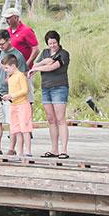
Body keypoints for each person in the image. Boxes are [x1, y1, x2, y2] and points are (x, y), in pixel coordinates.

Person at [33, 30, 72, 159]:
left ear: (58, 42)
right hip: (46, 88)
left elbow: (53, 66)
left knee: (60, 119)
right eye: (50, 43)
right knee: (51, 119)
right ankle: (54, 149)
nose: (52, 45)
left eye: (54, 43)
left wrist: (39, 67)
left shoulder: (64, 54)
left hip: (59, 87)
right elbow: (36, 63)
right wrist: (44, 62)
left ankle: (64, 150)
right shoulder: (44, 53)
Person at [0, 29, 26, 152]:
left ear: (9, 40)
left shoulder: (18, 55)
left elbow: (23, 75)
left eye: (2, 43)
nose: (0, 46)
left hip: (12, 95)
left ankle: (11, 149)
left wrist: (11, 86)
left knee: (12, 123)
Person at [3, 55, 34, 157]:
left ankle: (28, 151)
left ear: (13, 66)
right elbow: (12, 92)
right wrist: (8, 97)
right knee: (16, 130)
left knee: (25, 128)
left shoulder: (20, 76)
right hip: (13, 105)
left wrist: (12, 95)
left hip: (22, 106)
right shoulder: (10, 78)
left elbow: (25, 90)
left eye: (6, 68)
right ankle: (20, 152)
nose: (5, 70)